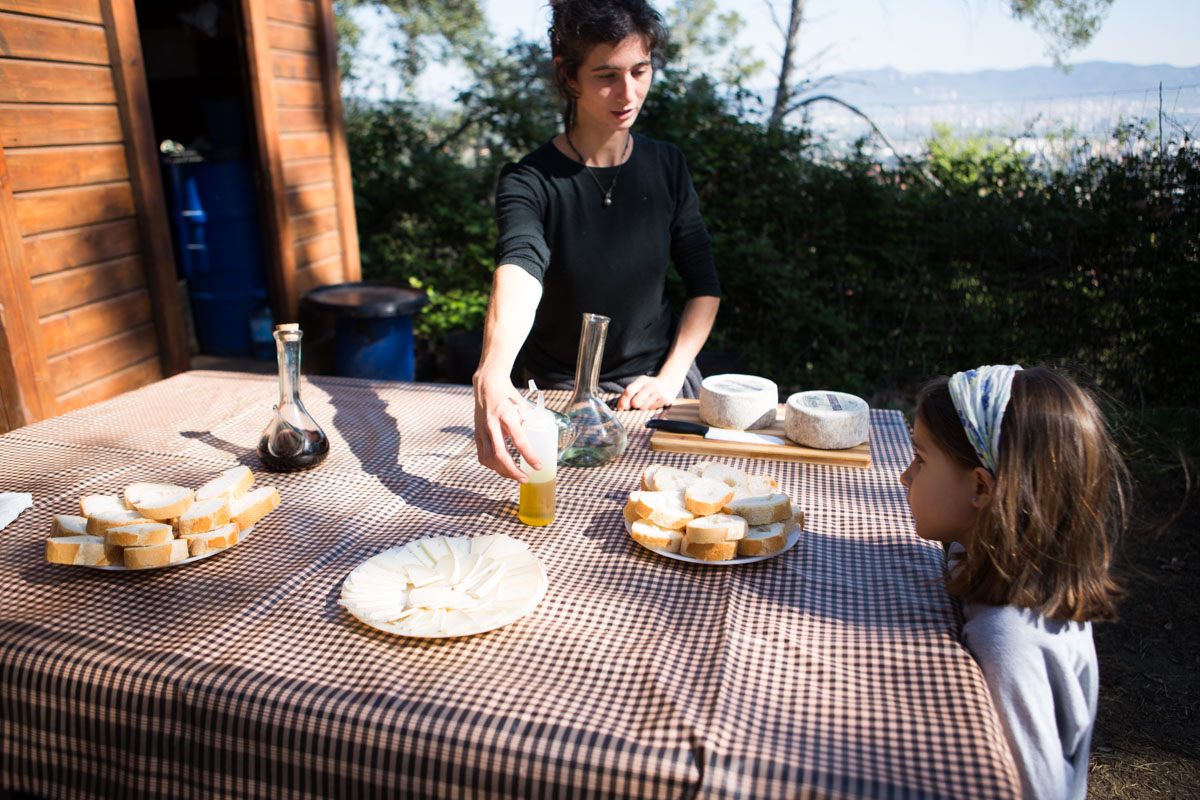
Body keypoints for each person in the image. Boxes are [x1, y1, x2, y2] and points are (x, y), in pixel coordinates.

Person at [472, 0, 722, 481]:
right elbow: (520, 266)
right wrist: (494, 370)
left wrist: (669, 378)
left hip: (656, 384)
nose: (627, 93)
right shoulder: (529, 180)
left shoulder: (667, 166)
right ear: (568, 77)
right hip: (559, 392)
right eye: (606, 75)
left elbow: (704, 284)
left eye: (640, 70)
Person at [900, 365, 1127, 800]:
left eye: (921, 459)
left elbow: (1037, 790)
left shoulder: (1011, 643)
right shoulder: (993, 559)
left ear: (982, 488)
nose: (905, 476)